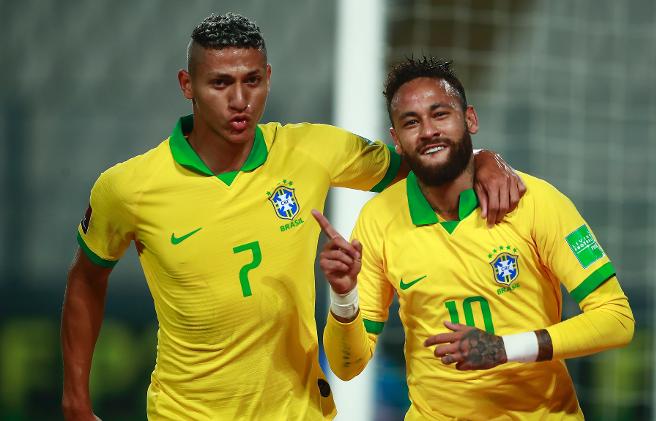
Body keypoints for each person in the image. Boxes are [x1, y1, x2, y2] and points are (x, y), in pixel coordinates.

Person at [60, 14, 525, 421]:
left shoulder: (310, 150)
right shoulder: (128, 187)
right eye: (220, 83)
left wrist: (482, 157)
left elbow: (427, 161)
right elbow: (86, 279)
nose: (239, 99)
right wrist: (76, 400)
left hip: (298, 410)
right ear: (187, 85)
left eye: (252, 81)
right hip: (186, 412)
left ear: (268, 77)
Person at [317, 56, 635, 420]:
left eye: (440, 114)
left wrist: (504, 348)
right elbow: (347, 366)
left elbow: (617, 319)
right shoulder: (378, 219)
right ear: (397, 141)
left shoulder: (535, 201)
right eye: (411, 122)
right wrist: (344, 296)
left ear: (470, 119)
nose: (428, 130)